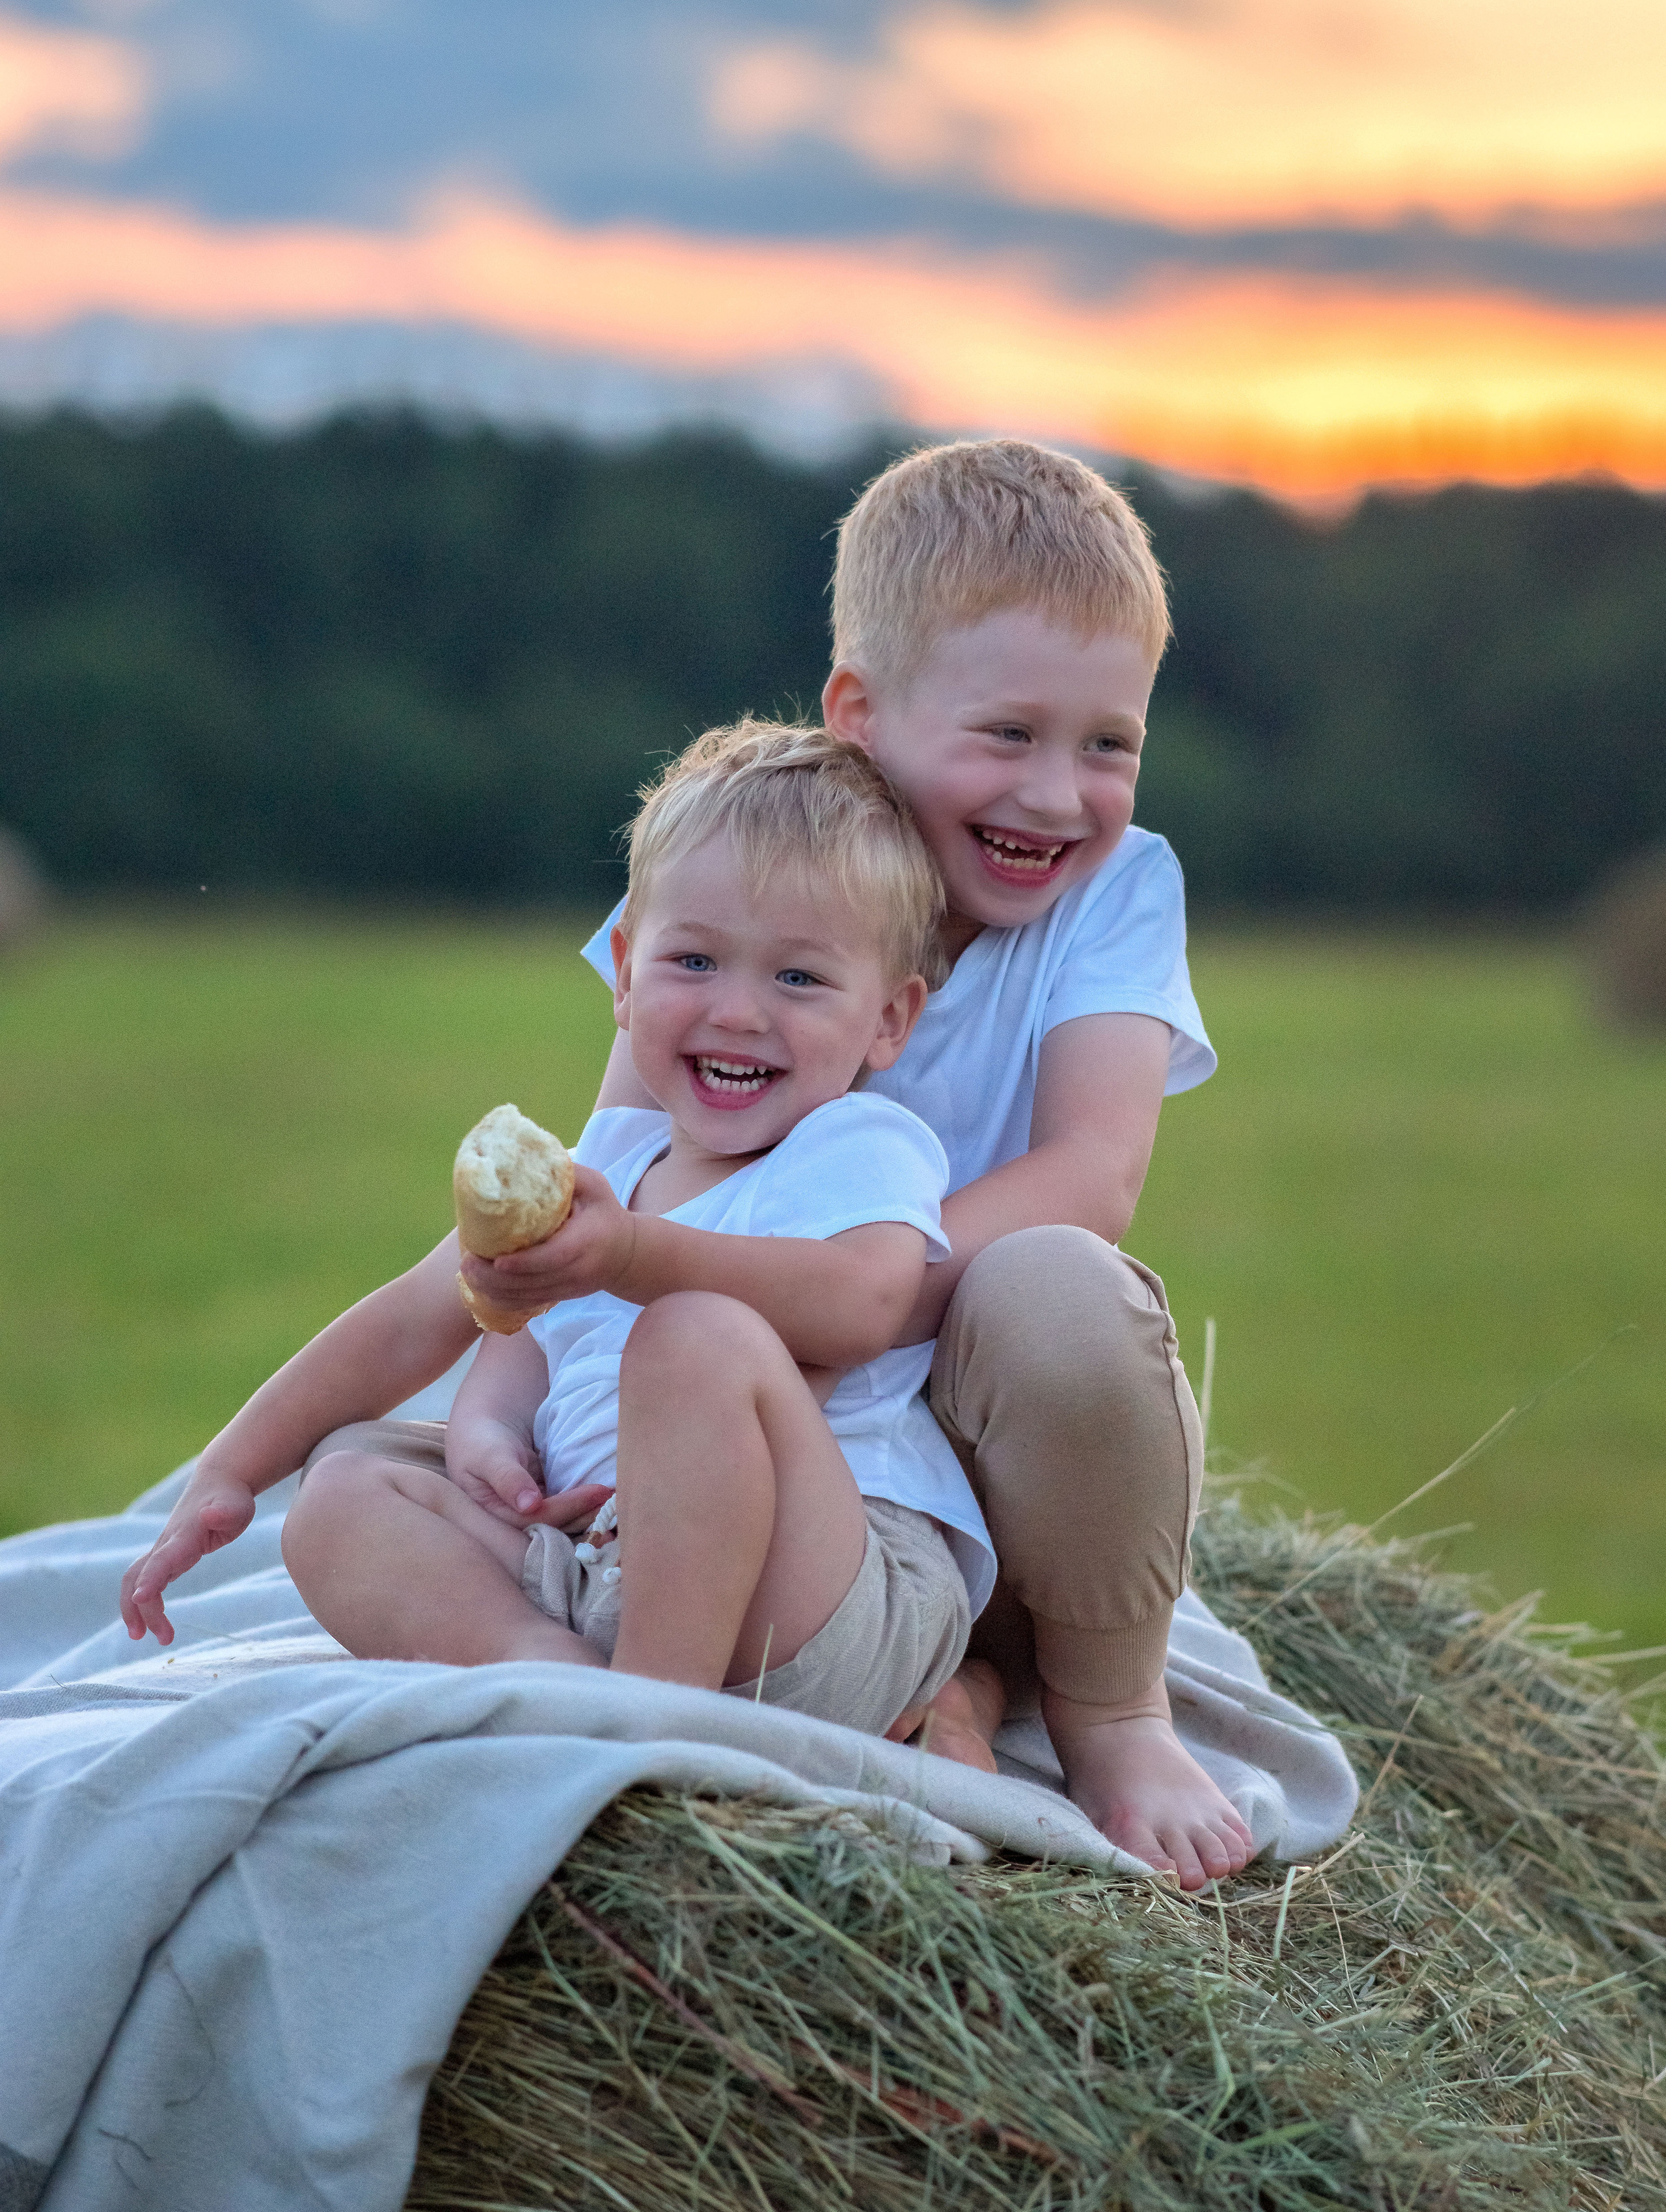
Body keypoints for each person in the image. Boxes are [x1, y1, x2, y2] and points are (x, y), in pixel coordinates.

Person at [124, 437, 1253, 1888]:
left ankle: (1100, 1708)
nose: (1055, 793)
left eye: (1107, 745)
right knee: (354, 1485)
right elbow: (591, 1206)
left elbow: (1090, 1176)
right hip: (670, 1480)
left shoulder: (1103, 896)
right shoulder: (731, 870)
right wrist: (492, 1403)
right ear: (861, 713)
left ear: (891, 1016)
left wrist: (764, 1292)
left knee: (1049, 1289)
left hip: (949, 1423)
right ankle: (582, 1691)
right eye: (1008, 733)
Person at [164, 728, 1000, 1745]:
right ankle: (549, 1671)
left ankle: (647, 1732)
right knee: (339, 1491)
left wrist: (635, 1256)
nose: (738, 1011)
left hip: (818, 1598)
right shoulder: (605, 1161)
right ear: (625, 972)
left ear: (890, 1019)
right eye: (695, 960)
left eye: (798, 979)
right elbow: (419, 1317)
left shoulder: (858, 1143)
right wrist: (236, 1467)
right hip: (598, 1566)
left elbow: (865, 1302)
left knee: (696, 1335)